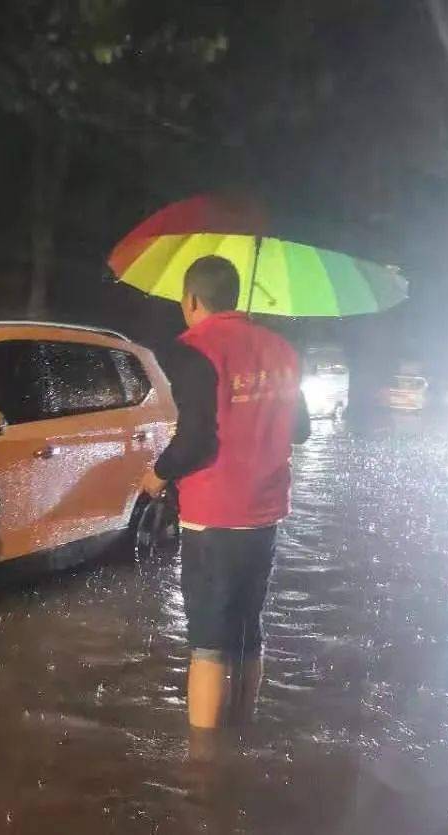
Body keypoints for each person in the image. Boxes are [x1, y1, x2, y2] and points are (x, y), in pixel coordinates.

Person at [140, 255, 310, 734]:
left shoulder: (193, 348)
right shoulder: (283, 349)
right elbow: (301, 429)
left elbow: (195, 439)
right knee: (247, 633)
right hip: (265, 514)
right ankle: (243, 730)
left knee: (209, 642)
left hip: (213, 516)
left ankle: (202, 769)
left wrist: (157, 475)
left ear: (191, 300)